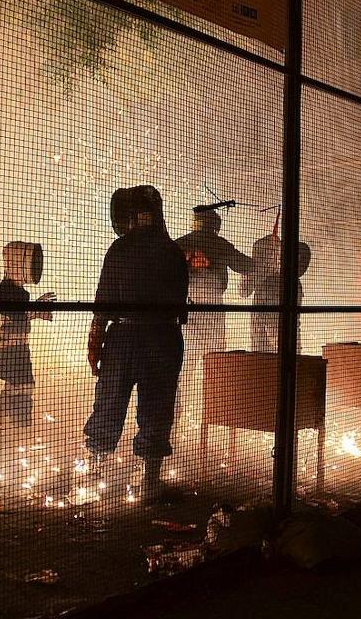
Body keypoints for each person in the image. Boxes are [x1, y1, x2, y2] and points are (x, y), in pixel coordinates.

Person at [83, 185, 189, 505]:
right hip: (163, 339)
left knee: (109, 403)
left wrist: (94, 343)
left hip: (124, 339)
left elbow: (103, 304)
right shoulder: (173, 253)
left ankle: (94, 477)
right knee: (157, 409)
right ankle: (150, 484)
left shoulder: (120, 248)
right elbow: (179, 307)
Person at [174, 208, 252, 420]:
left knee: (181, 372)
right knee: (217, 369)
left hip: (185, 314)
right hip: (213, 315)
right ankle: (217, 420)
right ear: (215, 226)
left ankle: (171, 426)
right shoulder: (220, 244)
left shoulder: (178, 244)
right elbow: (246, 265)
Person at [0, 241, 55, 426]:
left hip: (16, 350)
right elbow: (16, 315)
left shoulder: (15, 290)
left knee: (14, 387)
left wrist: (36, 311)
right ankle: (19, 427)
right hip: (13, 352)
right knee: (24, 386)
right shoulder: (6, 290)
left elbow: (18, 316)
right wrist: (36, 309)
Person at [249, 233, 312, 353]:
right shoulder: (292, 282)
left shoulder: (274, 283)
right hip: (278, 350)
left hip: (270, 353)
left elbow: (274, 326)